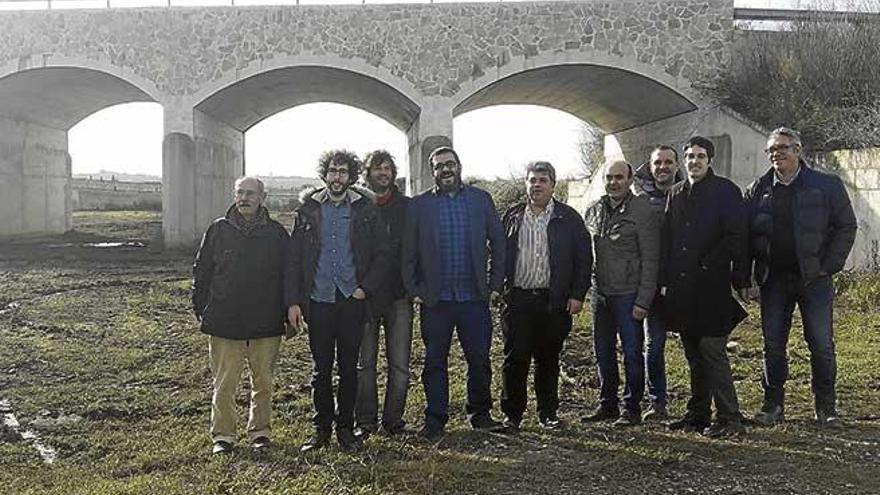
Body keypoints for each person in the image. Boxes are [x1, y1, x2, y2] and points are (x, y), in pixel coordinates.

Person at [745, 127, 857, 428]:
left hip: (814, 280)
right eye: (770, 150)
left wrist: (829, 265)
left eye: (782, 148)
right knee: (772, 345)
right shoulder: (759, 188)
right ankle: (773, 405)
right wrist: (747, 275)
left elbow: (846, 226)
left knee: (821, 345)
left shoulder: (826, 185)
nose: (775, 154)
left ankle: (826, 407)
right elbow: (745, 233)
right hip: (774, 281)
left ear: (798, 150)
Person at [285, 150, 391, 452]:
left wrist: (365, 288)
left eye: (343, 172)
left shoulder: (366, 210)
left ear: (352, 176)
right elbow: (294, 259)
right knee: (321, 369)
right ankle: (321, 430)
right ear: (324, 174)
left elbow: (383, 254)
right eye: (332, 171)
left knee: (348, 368)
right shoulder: (307, 210)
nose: (337, 177)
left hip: (351, 300)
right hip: (318, 300)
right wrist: (294, 301)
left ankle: (346, 429)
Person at [402, 145, 506, 439]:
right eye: (438, 166)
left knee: (479, 359)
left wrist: (495, 285)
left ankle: (481, 414)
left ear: (459, 166)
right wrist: (414, 290)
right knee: (435, 361)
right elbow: (408, 253)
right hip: (436, 300)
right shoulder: (419, 205)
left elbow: (499, 245)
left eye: (450, 164)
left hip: (474, 298)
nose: (445, 170)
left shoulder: (480, 200)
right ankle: (435, 419)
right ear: (432, 172)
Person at [192, 176, 290, 455]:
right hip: (225, 320)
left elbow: (288, 275)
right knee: (224, 382)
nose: (244, 198)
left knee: (263, 382)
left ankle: (260, 432)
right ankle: (223, 436)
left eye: (250, 193)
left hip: (266, 321)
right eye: (239, 193)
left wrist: (287, 310)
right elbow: (202, 271)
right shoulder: (218, 230)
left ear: (262, 197)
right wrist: (201, 307)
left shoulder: (276, 233)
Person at [661, 136, 750, 438]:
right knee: (693, 353)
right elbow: (668, 240)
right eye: (689, 156)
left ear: (710, 160)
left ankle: (730, 417)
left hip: (712, 286)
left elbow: (737, 236)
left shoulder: (725, 191)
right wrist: (664, 282)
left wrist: (739, 278)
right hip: (683, 289)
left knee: (712, 350)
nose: (694, 161)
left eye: (700, 156)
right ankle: (698, 414)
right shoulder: (676, 193)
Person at [499, 161, 592, 431]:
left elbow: (584, 258)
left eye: (543, 180)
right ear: (526, 184)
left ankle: (547, 413)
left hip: (554, 300)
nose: (536, 184)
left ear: (553, 185)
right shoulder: (512, 216)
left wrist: (577, 294)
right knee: (515, 359)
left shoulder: (569, 218)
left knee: (548, 358)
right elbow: (497, 252)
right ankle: (512, 415)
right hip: (518, 299)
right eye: (532, 180)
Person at [583, 160, 660, 428]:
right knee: (602, 351)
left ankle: (631, 407)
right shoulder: (594, 210)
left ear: (629, 180)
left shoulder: (642, 210)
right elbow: (587, 254)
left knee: (631, 352)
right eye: (609, 177)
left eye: (619, 177)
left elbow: (651, 259)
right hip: (600, 295)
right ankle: (607, 404)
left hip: (629, 295)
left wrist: (643, 300)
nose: (613, 182)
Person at [354, 150, 413, 438]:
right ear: (368, 173)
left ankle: (393, 421)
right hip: (365, 296)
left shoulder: (407, 207)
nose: (383, 173)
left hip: (399, 296)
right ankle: (365, 422)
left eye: (388, 168)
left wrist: (415, 284)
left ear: (394, 173)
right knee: (365, 364)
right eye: (377, 168)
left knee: (400, 364)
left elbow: (416, 248)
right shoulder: (358, 206)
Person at [631, 145, 682, 421]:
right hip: (653, 283)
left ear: (676, 166)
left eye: (668, 162)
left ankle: (700, 402)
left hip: (684, 284)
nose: (663, 167)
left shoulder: (688, 195)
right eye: (657, 163)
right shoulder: (641, 200)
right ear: (650, 168)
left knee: (695, 344)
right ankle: (657, 401)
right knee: (655, 344)